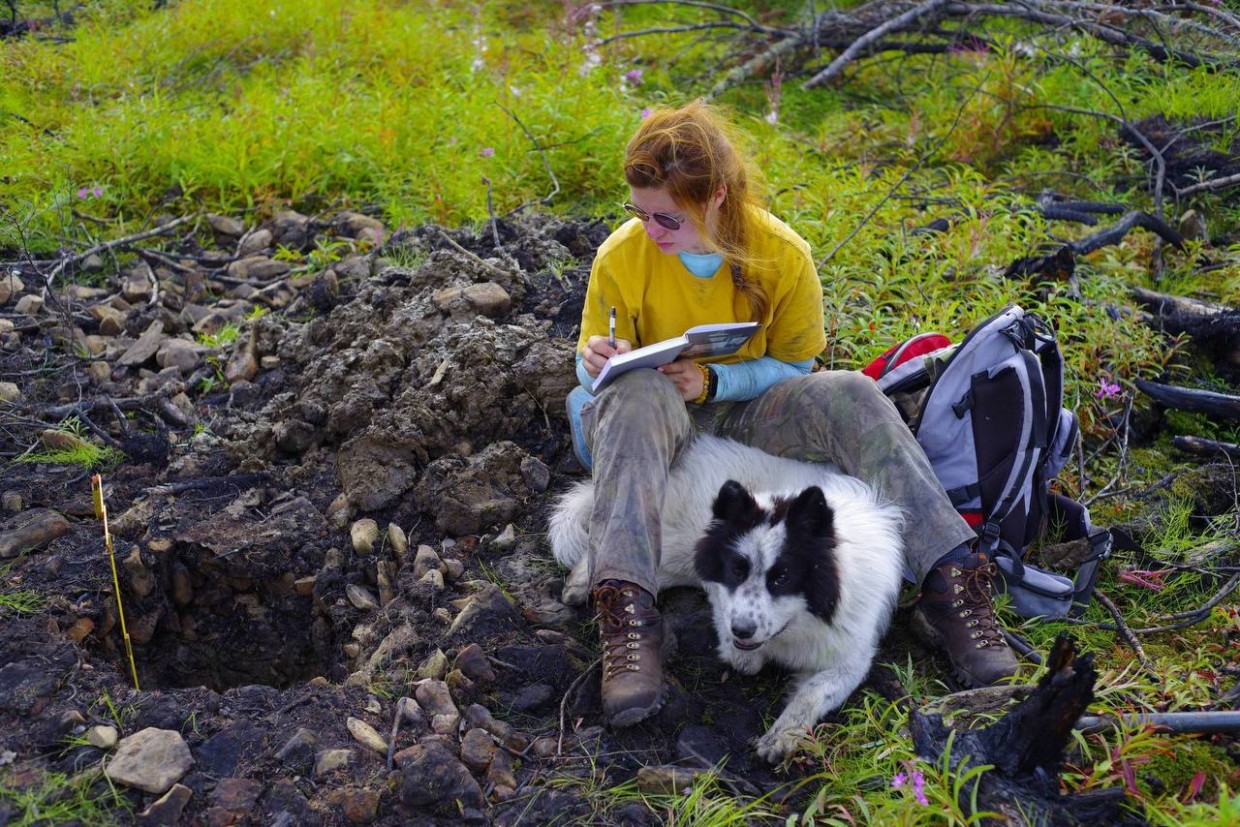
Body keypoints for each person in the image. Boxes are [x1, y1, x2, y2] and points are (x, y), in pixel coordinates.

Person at [566, 100, 1016, 728]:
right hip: (656, 420)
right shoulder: (622, 256)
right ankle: (628, 615)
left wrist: (714, 380)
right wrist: (595, 360)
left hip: (749, 410)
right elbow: (594, 375)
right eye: (639, 213)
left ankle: (951, 583)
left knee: (853, 392)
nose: (652, 230)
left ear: (716, 197)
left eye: (668, 217)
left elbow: (797, 364)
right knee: (636, 393)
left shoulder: (779, 252)